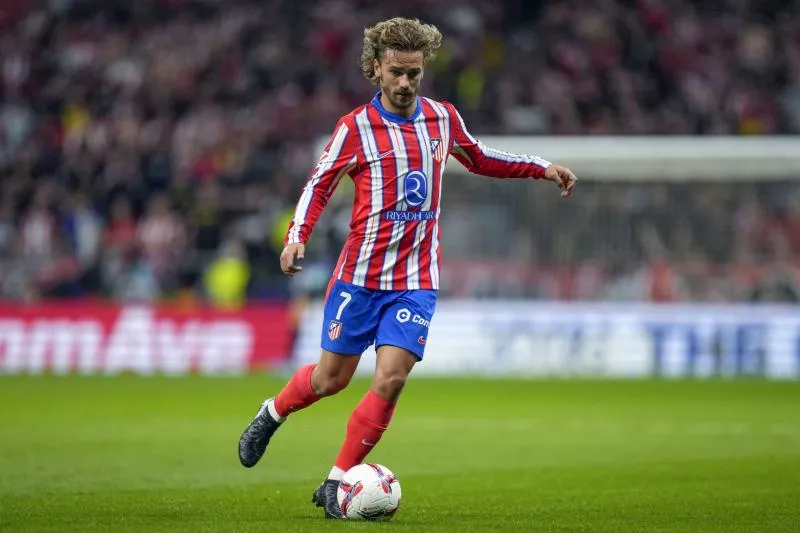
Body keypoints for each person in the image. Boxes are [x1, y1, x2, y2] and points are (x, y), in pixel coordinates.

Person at [238, 17, 577, 519]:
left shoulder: (442, 118)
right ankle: (273, 412)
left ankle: (336, 483)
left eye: (414, 74)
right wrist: (296, 237)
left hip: (415, 282)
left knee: (392, 378)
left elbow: (480, 157)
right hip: (359, 276)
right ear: (376, 69)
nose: (405, 83)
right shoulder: (355, 128)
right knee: (331, 380)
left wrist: (540, 166)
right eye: (396, 72)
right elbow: (320, 185)